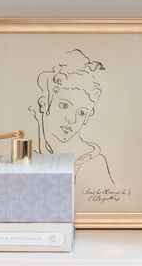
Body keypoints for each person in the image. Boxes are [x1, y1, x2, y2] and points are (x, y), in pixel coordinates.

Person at [30, 48, 114, 188]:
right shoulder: (33, 155)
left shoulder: (92, 162)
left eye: (81, 113)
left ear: (87, 116)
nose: (72, 120)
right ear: (43, 104)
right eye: (64, 106)